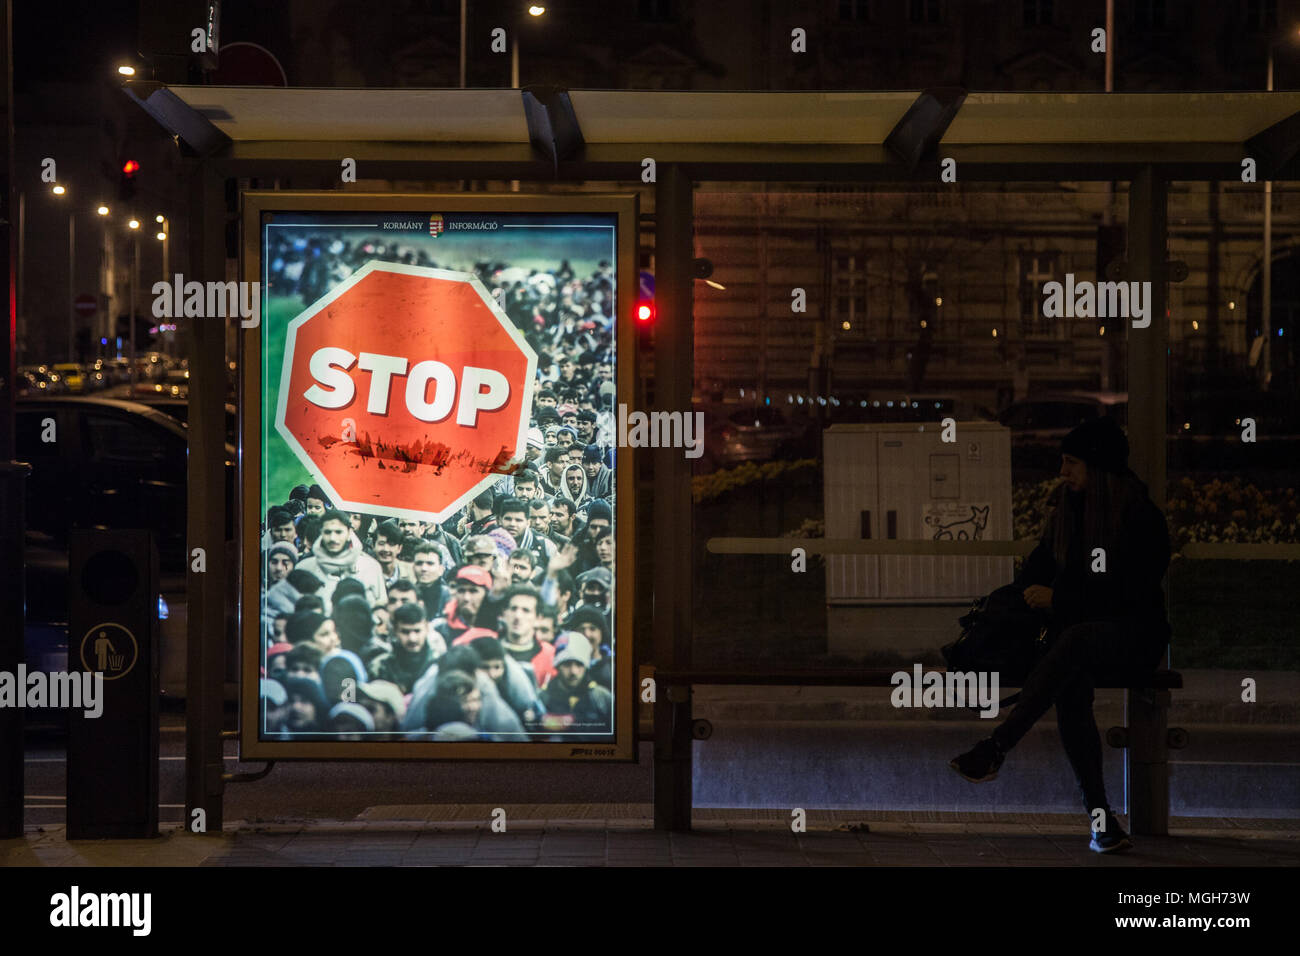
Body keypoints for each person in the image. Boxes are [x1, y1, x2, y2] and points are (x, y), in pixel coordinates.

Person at [950, 417, 1172, 854]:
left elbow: (1127, 593)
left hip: (1134, 638)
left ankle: (997, 746)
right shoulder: (1069, 511)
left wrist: (1060, 598)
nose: (1062, 472)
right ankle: (1102, 823)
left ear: (1098, 466)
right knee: (1070, 679)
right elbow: (1038, 570)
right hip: (1079, 642)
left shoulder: (1139, 517)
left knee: (1074, 644)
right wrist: (1023, 598)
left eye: (1071, 462)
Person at [296, 509, 387, 611]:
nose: (333, 538)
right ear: (321, 533)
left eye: (338, 532)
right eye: (327, 532)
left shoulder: (370, 566)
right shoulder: (304, 567)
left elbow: (380, 605)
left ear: (349, 533)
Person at [539, 633, 612, 734]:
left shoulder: (602, 698)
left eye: (579, 664)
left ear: (586, 666)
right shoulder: (542, 698)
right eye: (567, 664)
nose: (573, 671)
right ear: (557, 665)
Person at [368, 602, 439, 693]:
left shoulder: (438, 664)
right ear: (395, 631)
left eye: (417, 631)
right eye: (405, 632)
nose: (412, 639)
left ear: (426, 628)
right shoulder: (380, 668)